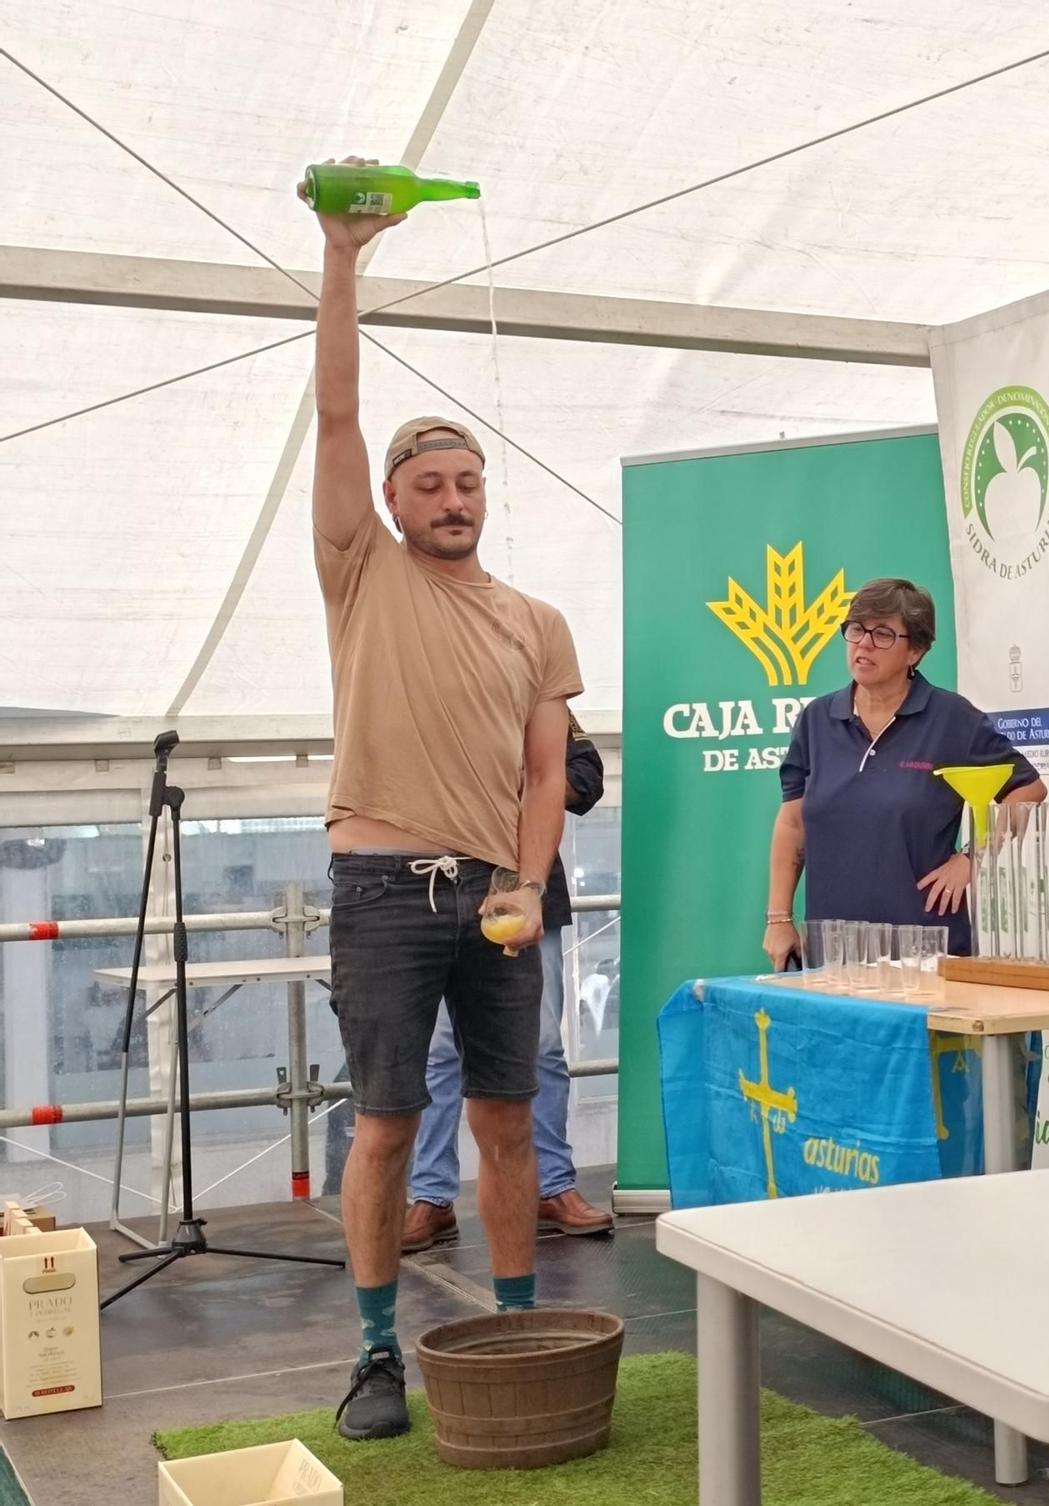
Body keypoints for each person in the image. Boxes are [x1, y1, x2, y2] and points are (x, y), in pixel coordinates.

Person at [307, 158, 582, 1442]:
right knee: (381, 1127)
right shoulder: (359, 569)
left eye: (467, 484)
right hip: (377, 887)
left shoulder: (535, 619)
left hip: (493, 898)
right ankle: (376, 1355)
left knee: (509, 1122)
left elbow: (545, 776)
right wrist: (346, 256)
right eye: (428, 484)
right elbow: (336, 417)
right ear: (392, 503)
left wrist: (525, 881)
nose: (452, 500)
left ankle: (520, 1325)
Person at [401, 713, 613, 1252]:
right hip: (437, 893)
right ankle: (431, 1197)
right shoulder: (422, 685)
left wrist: (520, 779)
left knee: (540, 1045)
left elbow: (586, 778)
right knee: (442, 1050)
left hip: (523, 892)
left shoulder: (534, 689)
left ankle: (553, 1187)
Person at [762, 577, 1045, 968]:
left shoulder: (952, 719)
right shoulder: (816, 720)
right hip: (833, 951)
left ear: (916, 650)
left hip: (926, 950)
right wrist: (779, 919)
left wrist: (973, 858)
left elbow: (1028, 789)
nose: (863, 643)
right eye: (856, 629)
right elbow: (793, 823)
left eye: (882, 634)